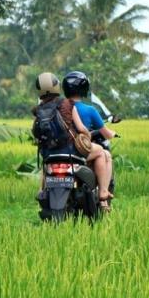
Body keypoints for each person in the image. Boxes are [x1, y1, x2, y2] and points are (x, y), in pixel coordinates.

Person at [32, 72, 111, 208]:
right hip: (70, 151)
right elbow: (81, 128)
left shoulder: (38, 110)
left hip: (49, 154)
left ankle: (42, 190)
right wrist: (87, 136)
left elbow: (35, 133)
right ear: (57, 87)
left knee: (46, 166)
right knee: (102, 152)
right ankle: (103, 192)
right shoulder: (67, 104)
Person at [61, 71, 115, 209]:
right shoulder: (89, 110)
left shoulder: (60, 107)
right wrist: (113, 134)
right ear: (84, 89)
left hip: (60, 149)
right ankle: (103, 193)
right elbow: (106, 134)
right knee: (103, 153)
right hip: (79, 150)